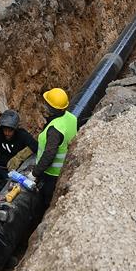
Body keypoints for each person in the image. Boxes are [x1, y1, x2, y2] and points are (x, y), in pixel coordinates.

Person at [30, 88, 78, 217]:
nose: (45, 105)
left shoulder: (55, 130)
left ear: (51, 107)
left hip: (51, 175)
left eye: (47, 103)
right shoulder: (71, 118)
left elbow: (49, 154)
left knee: (46, 204)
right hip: (66, 169)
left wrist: (34, 173)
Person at [0, 109, 38, 193]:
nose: (7, 133)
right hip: (2, 168)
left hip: (17, 171)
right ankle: (0, 189)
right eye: (5, 130)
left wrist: (18, 157)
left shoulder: (22, 135)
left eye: (10, 130)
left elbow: (35, 146)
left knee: (15, 179)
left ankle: (8, 186)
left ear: (15, 128)